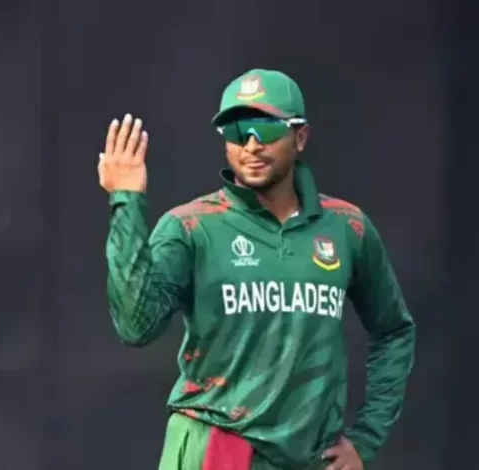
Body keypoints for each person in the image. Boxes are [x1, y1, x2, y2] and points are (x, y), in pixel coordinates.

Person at [98, 69, 416, 470]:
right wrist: (126, 200)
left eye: (265, 128)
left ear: (300, 137)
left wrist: (366, 439)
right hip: (216, 447)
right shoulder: (191, 227)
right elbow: (135, 326)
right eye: (236, 131)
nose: (251, 144)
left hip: (309, 457)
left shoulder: (346, 227)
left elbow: (394, 330)